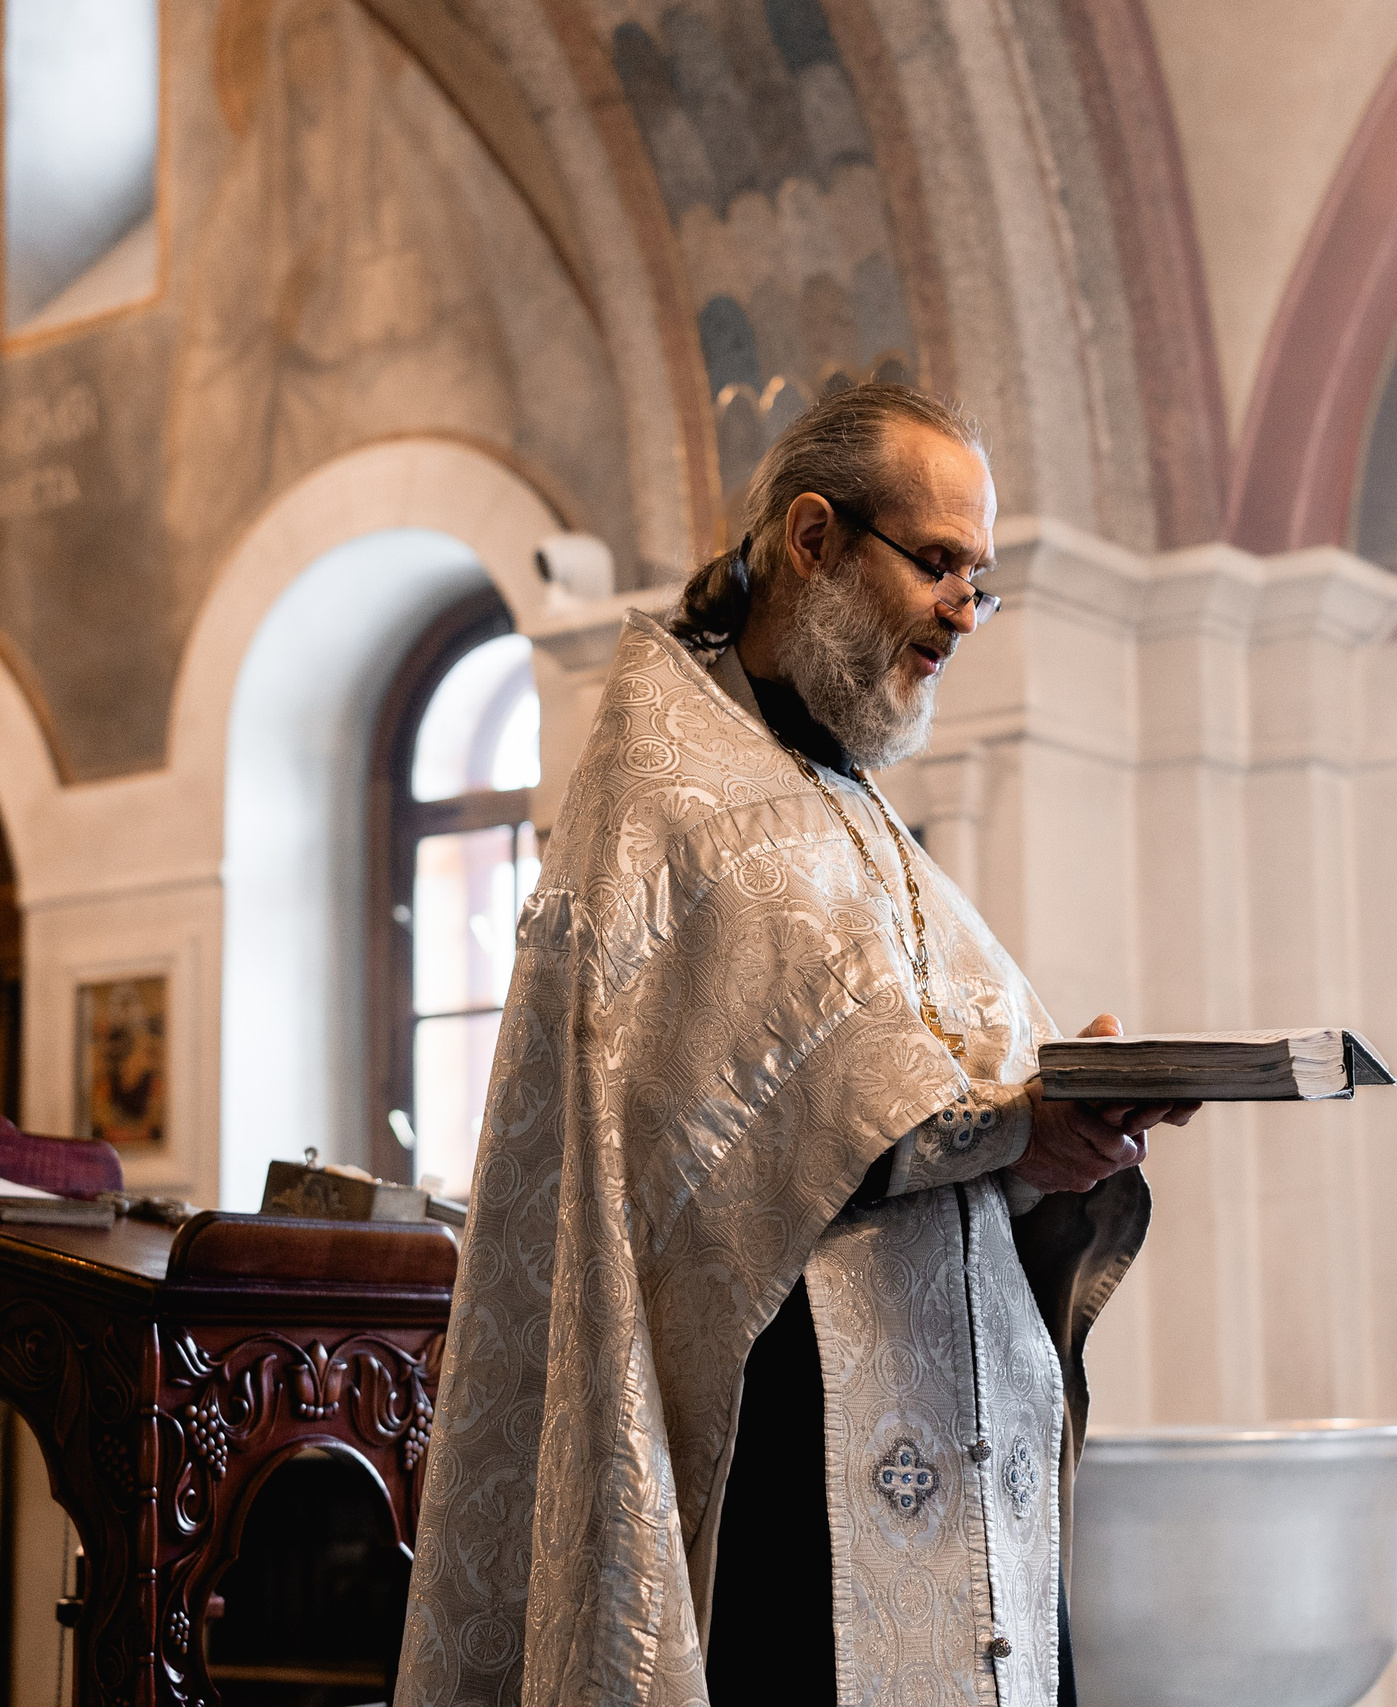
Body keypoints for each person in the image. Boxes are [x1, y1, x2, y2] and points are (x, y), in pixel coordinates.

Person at [397, 384, 1194, 1706]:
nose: (961, 608)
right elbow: (743, 1112)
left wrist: (1058, 1121)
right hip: (787, 1454)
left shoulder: (853, 807)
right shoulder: (672, 789)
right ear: (813, 537)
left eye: (979, 581)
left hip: (953, 1440)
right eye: (937, 560)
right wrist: (1008, 1119)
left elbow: (926, 1085)